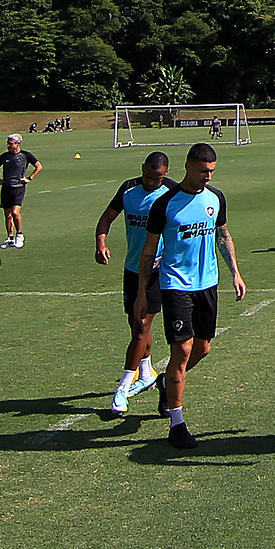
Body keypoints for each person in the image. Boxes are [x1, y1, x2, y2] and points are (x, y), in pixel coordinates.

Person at [134, 143, 247, 449]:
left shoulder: (216, 198)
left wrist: (235, 272)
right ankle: (177, 423)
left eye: (211, 171)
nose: (207, 176)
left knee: (203, 348)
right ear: (188, 166)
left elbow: (223, 235)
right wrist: (143, 293)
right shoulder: (165, 203)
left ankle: (164, 382)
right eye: (203, 171)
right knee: (182, 350)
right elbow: (149, 251)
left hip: (207, 283)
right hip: (175, 284)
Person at [94, 149, 173, 416]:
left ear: (166, 174)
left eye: (157, 178)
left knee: (141, 327)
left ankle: (123, 387)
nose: (151, 182)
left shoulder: (172, 193)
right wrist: (101, 243)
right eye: (148, 176)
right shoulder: (128, 189)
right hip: (132, 270)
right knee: (137, 327)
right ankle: (147, 373)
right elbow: (106, 218)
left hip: (157, 271)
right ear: (142, 169)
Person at [0, 132, 41, 248]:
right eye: (8, 143)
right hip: (6, 188)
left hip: (18, 188)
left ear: (18, 144)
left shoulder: (25, 155)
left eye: (11, 143)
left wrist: (29, 178)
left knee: (15, 212)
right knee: (7, 214)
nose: (8, 145)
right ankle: (10, 237)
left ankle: (19, 235)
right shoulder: (4, 156)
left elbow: (38, 166)